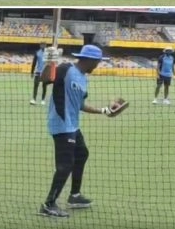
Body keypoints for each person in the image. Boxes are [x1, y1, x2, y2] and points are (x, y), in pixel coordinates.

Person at [38, 44, 123, 218]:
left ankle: (74, 196)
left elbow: (81, 105)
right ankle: (49, 204)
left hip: (73, 125)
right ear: (89, 60)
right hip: (61, 124)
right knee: (65, 165)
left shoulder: (84, 78)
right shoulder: (65, 69)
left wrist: (104, 110)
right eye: (98, 62)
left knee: (82, 153)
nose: (98, 65)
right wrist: (50, 62)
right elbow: (44, 79)